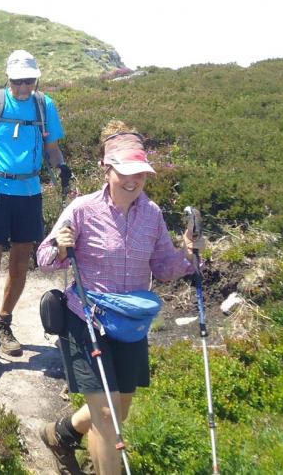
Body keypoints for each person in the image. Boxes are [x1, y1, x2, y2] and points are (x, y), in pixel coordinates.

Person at [35, 121, 202, 475]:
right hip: (87, 320)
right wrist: (61, 249)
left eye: (140, 172)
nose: (133, 180)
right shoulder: (82, 209)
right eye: (125, 171)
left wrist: (188, 256)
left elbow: (163, 266)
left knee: (119, 409)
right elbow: (44, 258)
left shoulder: (152, 215)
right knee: (108, 416)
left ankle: (61, 434)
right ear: (106, 169)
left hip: (130, 325)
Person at [0, 50, 66, 370]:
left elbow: (52, 149)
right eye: (18, 80)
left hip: (29, 193)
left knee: (21, 263)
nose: (23, 86)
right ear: (8, 78)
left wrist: (62, 168)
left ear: (36, 79)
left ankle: (4, 320)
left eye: (29, 80)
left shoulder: (44, 105)